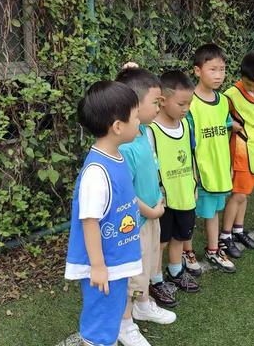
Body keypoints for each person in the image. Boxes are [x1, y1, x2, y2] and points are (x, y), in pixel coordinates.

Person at [64, 80, 143, 346]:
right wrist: (97, 267)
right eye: (135, 117)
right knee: (99, 325)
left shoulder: (117, 156)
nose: (140, 122)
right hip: (104, 267)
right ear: (118, 127)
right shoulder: (97, 172)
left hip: (115, 261)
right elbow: (89, 222)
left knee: (111, 315)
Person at [116, 67, 176, 346]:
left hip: (152, 216)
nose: (160, 105)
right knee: (131, 275)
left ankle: (143, 304)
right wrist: (149, 210)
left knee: (149, 265)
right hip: (135, 223)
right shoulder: (124, 144)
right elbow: (124, 192)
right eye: (155, 102)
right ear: (134, 106)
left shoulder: (142, 131)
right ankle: (124, 323)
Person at [147, 71, 200, 293]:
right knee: (161, 241)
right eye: (181, 103)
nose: (186, 108)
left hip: (186, 193)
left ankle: (176, 270)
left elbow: (191, 154)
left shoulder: (186, 124)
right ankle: (156, 279)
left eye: (189, 103)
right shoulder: (151, 130)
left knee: (181, 235)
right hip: (165, 199)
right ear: (162, 100)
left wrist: (195, 183)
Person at [187, 44, 238, 272]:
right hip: (197, 172)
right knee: (188, 212)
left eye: (222, 69)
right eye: (213, 69)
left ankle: (212, 249)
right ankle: (187, 252)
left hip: (218, 170)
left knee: (214, 211)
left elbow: (225, 132)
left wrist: (228, 166)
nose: (219, 75)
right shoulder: (189, 103)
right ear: (198, 71)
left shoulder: (223, 101)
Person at [221, 51, 254, 259]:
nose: (252, 88)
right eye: (249, 83)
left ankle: (238, 230)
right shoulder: (230, 96)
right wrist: (230, 125)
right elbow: (219, 121)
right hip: (240, 152)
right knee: (238, 194)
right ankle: (225, 236)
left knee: (245, 193)